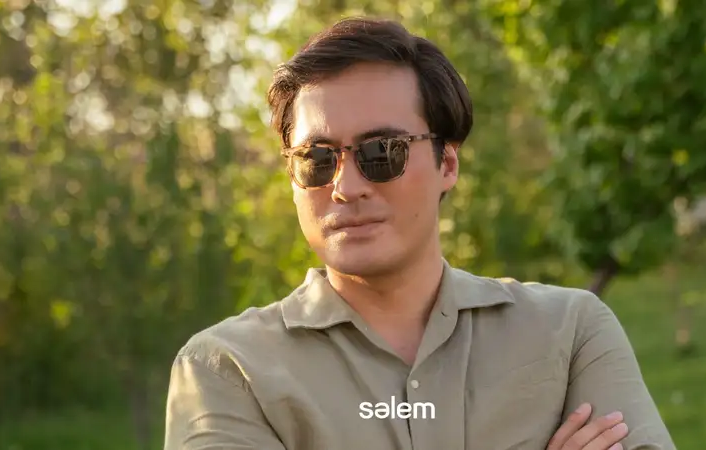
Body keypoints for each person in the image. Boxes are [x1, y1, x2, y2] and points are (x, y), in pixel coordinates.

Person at [164, 17, 676, 450]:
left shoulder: (570, 332)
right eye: (317, 159)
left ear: (447, 163)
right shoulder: (226, 369)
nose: (345, 187)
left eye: (381, 152)